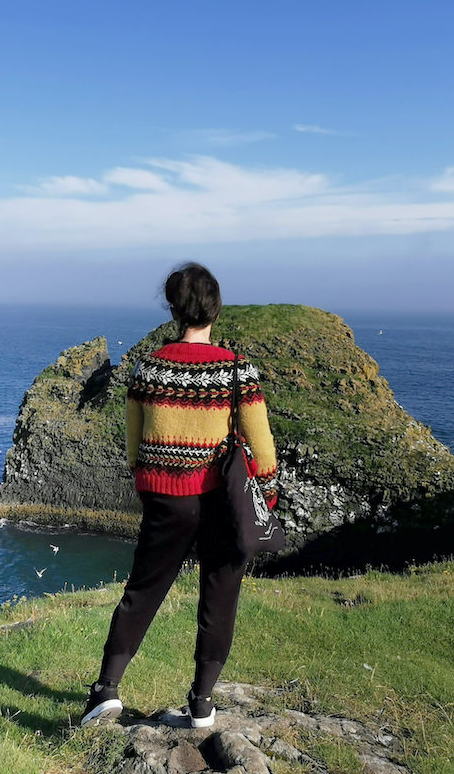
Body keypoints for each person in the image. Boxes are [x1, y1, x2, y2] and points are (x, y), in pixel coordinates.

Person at [80, 262, 278, 728]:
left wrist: (150, 484)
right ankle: (202, 703)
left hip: (166, 499)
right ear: (215, 309)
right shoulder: (236, 370)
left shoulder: (148, 367)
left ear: (173, 309)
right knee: (219, 595)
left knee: (143, 591)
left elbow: (134, 446)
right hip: (223, 502)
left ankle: (106, 690)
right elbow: (263, 450)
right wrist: (263, 502)